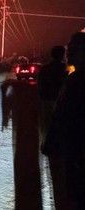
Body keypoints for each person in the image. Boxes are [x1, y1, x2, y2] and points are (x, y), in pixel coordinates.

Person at [43, 32, 85, 209]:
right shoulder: (73, 79)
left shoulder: (78, 82)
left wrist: (53, 144)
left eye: (73, 49)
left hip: (78, 154)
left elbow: (68, 118)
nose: (69, 53)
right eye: (68, 49)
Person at [37, 46, 67, 147]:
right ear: (62, 55)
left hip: (46, 99)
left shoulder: (45, 68)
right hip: (60, 101)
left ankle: (46, 143)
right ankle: (58, 143)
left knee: (46, 123)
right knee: (59, 123)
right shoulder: (65, 68)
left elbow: (40, 84)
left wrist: (41, 97)